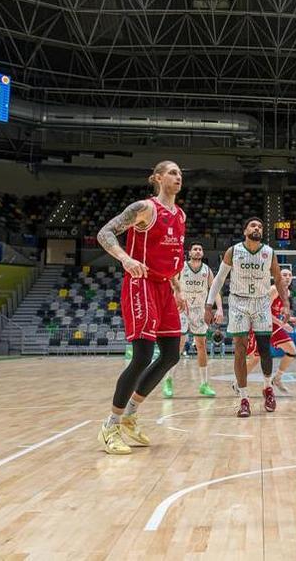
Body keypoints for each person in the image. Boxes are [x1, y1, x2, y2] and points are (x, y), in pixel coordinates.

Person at [96, 160, 188, 455]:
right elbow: (105, 233)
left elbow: (174, 257)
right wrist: (125, 258)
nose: (178, 177)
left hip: (164, 287)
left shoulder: (181, 215)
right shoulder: (144, 209)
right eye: (173, 172)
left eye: (180, 173)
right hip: (142, 282)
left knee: (171, 354)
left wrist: (178, 288)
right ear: (158, 178)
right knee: (143, 355)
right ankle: (110, 425)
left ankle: (131, 415)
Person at [206, 218, 291, 418]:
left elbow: (278, 279)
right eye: (253, 225)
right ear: (245, 230)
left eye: (260, 226)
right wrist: (209, 305)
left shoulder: (269, 252)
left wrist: (286, 304)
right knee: (240, 350)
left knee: (264, 349)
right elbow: (219, 279)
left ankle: (268, 388)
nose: (257, 228)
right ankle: (243, 398)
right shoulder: (233, 251)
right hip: (238, 302)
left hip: (261, 302)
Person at [166, 243, 222, 398]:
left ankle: (204, 384)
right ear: (189, 252)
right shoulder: (181, 267)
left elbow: (215, 290)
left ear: (203, 253)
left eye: (200, 249)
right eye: (195, 249)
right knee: (179, 345)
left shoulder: (207, 270)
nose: (197, 251)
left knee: (201, 346)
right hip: (182, 309)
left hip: (200, 310)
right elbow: (172, 284)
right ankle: (168, 380)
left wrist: (220, 308)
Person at [245, 268, 296, 395]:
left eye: (290, 275)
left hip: (273, 325)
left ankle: (277, 378)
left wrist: (289, 319)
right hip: (261, 324)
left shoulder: (288, 292)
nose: (287, 277)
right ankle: (239, 383)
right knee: (255, 359)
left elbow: (277, 311)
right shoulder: (274, 289)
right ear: (278, 277)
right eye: (284, 275)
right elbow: (263, 311)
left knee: (292, 351)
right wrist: (283, 324)